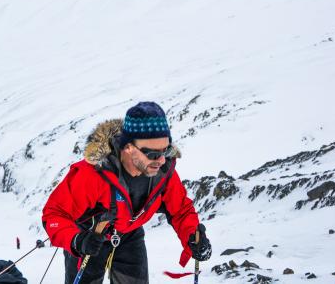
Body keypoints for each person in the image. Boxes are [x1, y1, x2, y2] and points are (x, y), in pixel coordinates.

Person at [42, 101, 212, 284]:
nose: (162, 160)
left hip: (129, 235)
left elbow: (180, 209)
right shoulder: (94, 174)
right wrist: (77, 240)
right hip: (90, 237)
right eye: (152, 154)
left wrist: (192, 237)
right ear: (129, 147)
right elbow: (54, 214)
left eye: (165, 150)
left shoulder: (163, 172)